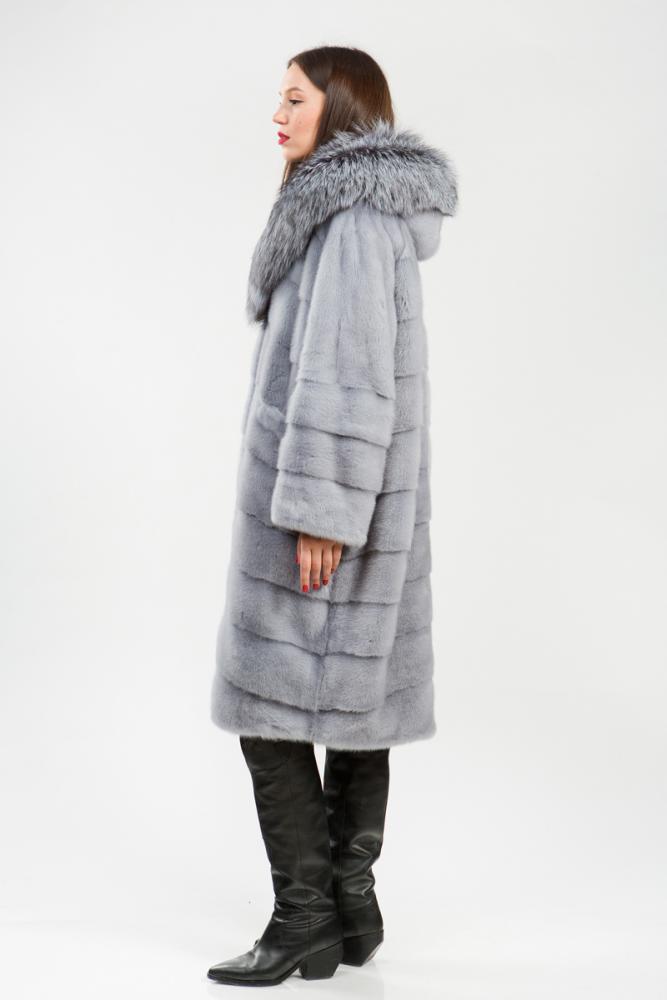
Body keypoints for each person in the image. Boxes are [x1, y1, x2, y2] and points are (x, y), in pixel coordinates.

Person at [207, 45, 458, 986]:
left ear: (340, 107)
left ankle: (304, 916)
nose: (277, 115)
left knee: (270, 709)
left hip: (323, 510)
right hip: (358, 507)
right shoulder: (356, 213)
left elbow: (347, 378)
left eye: (294, 98)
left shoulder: (349, 218)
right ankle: (351, 908)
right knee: (356, 706)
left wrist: (320, 511)